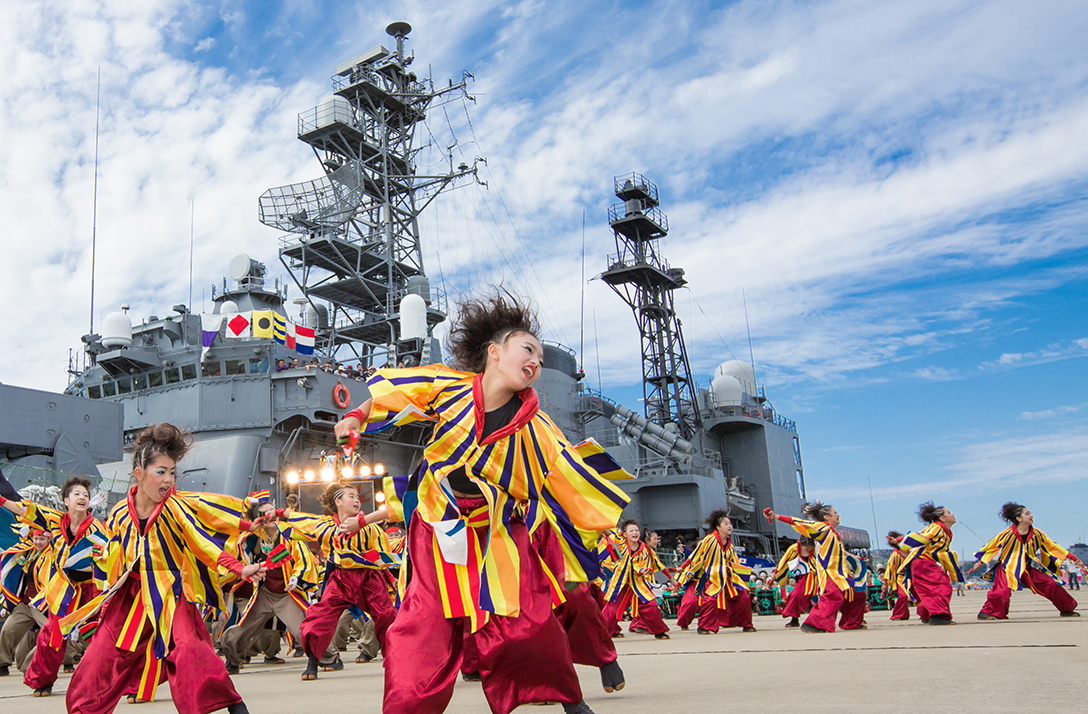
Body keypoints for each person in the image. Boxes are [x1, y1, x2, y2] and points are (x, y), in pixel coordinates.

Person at [334, 291, 628, 714]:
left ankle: (569, 696)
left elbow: (567, 480)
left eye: (541, 360)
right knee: (421, 628)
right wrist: (355, 418)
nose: (536, 363)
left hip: (500, 535)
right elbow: (393, 396)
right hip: (437, 532)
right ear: (494, 352)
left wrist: (601, 524)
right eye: (528, 349)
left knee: (529, 623)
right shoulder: (446, 387)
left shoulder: (540, 429)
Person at [59, 424, 261, 714]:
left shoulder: (175, 509)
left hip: (170, 593)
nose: (169, 480)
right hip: (128, 597)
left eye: (172, 472)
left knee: (191, 651)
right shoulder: (117, 515)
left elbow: (202, 543)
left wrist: (239, 568)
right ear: (140, 474)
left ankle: (232, 703)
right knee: (98, 661)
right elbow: (109, 556)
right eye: (161, 472)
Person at [277, 480, 396, 681]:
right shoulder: (326, 527)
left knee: (387, 616)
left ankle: (395, 659)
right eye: (351, 496)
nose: (357, 500)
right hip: (340, 579)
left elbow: (381, 558)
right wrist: (280, 513)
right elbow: (302, 520)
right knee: (319, 618)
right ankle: (313, 661)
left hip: (370, 578)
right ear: (338, 501)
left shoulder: (371, 529)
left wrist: (390, 577)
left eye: (358, 498)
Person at [0, 475, 104, 697]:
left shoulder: (97, 529)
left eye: (86, 495)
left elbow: (109, 558)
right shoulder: (55, 520)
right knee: (51, 634)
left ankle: (105, 681)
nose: (82, 498)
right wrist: (1, 501)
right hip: (64, 588)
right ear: (66, 500)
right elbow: (23, 509)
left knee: (100, 635)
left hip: (91, 589)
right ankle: (41, 681)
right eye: (77, 494)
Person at [219, 492, 339, 675]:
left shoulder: (289, 534)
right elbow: (236, 561)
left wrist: (296, 577)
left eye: (272, 511)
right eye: (264, 514)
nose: (269, 516)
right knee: (240, 631)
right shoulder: (248, 540)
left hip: (286, 594)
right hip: (263, 594)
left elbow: (302, 560)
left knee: (302, 630)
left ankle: (330, 657)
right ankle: (233, 661)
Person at [970, 502, 1081, 620]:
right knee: (1001, 592)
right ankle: (986, 612)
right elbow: (992, 546)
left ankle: (1067, 609)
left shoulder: (1037, 534)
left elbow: (1053, 547)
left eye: (1030, 513)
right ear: (1019, 518)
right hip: (1006, 567)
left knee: (1051, 584)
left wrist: (1074, 558)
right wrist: (980, 562)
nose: (1031, 516)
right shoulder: (1007, 534)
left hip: (1026, 568)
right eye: (1027, 514)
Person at [765, 503, 851, 633]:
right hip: (828, 572)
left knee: (836, 597)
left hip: (836, 572)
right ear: (827, 517)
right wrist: (776, 516)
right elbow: (799, 522)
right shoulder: (822, 528)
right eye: (835, 512)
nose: (838, 515)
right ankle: (813, 623)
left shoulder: (831, 532)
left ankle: (824, 624)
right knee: (832, 596)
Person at [673, 510, 755, 634]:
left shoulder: (730, 545)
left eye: (730, 524)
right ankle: (703, 627)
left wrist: (743, 581)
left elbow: (735, 563)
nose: (729, 526)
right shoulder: (709, 540)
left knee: (743, 597)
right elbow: (695, 555)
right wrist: (682, 567)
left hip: (727, 578)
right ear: (718, 527)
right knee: (708, 600)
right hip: (711, 578)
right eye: (726, 524)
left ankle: (746, 624)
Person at [603, 519, 677, 640]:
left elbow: (651, 566)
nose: (635, 533)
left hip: (637, 582)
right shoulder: (620, 543)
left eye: (636, 530)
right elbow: (608, 533)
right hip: (620, 582)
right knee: (611, 609)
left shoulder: (644, 550)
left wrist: (643, 571)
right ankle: (602, 632)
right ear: (625, 534)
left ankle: (659, 631)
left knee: (651, 605)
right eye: (631, 530)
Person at [894, 502, 963, 626]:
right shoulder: (937, 527)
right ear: (942, 518)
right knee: (942, 586)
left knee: (927, 589)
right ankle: (938, 615)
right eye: (949, 512)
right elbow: (922, 536)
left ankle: (927, 614)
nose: (952, 514)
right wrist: (900, 541)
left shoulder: (942, 529)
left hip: (923, 562)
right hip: (923, 562)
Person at [0, 527, 53, 677]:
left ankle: (31, 666)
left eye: (42, 539)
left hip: (43, 604)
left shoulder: (53, 554)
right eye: (36, 538)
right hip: (25, 603)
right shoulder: (29, 551)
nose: (38, 542)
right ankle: (2, 663)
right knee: (8, 630)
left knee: (52, 635)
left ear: (49, 539)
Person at [773, 536, 817, 628]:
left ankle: (820, 619)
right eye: (806, 548)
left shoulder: (817, 548)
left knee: (821, 597)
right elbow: (784, 561)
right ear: (800, 544)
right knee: (795, 595)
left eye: (810, 547)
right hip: (804, 576)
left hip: (818, 575)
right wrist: (776, 572)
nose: (809, 549)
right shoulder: (793, 549)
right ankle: (794, 619)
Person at [882, 532, 911, 621]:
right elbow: (889, 570)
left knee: (921, 596)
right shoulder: (895, 555)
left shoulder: (911, 552)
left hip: (912, 577)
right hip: (901, 579)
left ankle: (926, 615)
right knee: (903, 596)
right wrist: (885, 583)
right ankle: (898, 614)